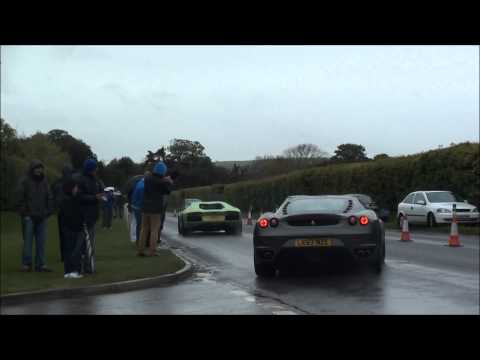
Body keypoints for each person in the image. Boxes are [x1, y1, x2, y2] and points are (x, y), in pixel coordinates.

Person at [15, 159, 54, 272]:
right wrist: (25, 213)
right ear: (32, 169)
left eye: (40, 168)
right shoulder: (24, 181)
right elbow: (19, 198)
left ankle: (40, 265)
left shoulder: (45, 182)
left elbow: (50, 197)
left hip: (42, 217)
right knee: (27, 242)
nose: (39, 170)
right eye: (37, 168)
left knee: (41, 243)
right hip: (29, 217)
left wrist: (48, 212)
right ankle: (26, 264)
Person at [75, 158, 105, 274]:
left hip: (92, 215)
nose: (96, 170)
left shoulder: (95, 180)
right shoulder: (81, 180)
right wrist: (94, 198)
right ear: (90, 169)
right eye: (95, 168)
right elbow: (79, 197)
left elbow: (99, 190)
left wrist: (103, 194)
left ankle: (88, 266)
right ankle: (82, 266)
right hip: (83, 215)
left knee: (90, 242)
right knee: (82, 243)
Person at [138, 162, 173, 257]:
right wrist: (169, 182)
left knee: (144, 229)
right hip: (155, 208)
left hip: (145, 207)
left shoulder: (147, 179)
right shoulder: (161, 182)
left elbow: (155, 180)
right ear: (163, 172)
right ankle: (152, 251)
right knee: (154, 229)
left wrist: (163, 180)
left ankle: (141, 250)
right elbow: (167, 191)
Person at [59, 178, 85, 279]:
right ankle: (74, 270)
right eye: (75, 187)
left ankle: (68, 271)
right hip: (74, 228)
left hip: (68, 228)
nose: (76, 189)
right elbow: (75, 215)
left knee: (69, 250)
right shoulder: (71, 200)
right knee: (75, 250)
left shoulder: (65, 200)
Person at [51, 164, 74, 262]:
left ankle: (64, 256)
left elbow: (54, 196)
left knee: (62, 234)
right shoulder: (72, 182)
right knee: (72, 233)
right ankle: (71, 254)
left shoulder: (56, 183)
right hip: (70, 210)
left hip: (61, 211)